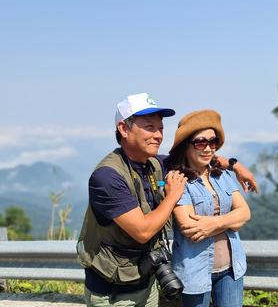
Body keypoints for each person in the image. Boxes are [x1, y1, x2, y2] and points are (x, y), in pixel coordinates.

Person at [77, 93, 257, 307]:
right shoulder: (108, 176)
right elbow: (143, 232)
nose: (158, 135)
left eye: (160, 128)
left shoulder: (155, 164)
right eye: (149, 127)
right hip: (113, 292)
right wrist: (172, 196)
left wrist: (236, 166)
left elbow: (198, 155)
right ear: (124, 129)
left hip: (148, 283)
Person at [169, 110, 252, 307]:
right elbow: (190, 229)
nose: (208, 148)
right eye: (200, 142)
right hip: (194, 272)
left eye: (212, 142)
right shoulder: (178, 180)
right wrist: (232, 221)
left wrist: (213, 223)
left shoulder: (221, 175)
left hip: (231, 269)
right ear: (185, 146)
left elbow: (245, 213)